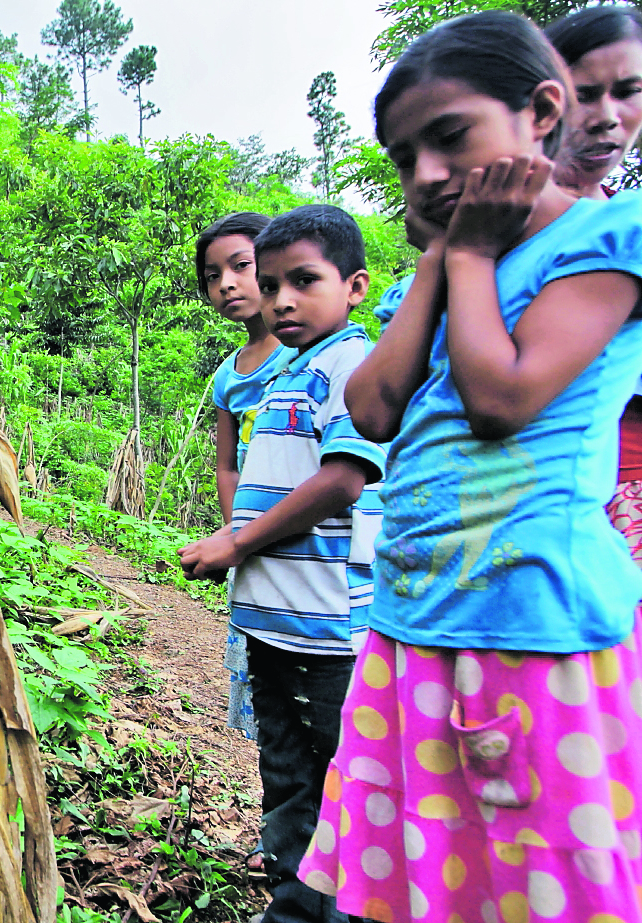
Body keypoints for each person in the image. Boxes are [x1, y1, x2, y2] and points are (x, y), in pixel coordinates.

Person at [299, 11, 642, 923]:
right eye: (404, 158)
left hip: (525, 623)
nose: (426, 174)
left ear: (541, 112)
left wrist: (476, 254)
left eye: (449, 137)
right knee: (431, 882)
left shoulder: (608, 237)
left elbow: (500, 398)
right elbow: (373, 407)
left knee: (540, 888)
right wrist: (444, 255)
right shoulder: (454, 264)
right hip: (413, 617)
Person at [180, 204, 385, 923]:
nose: (281, 300)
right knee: (289, 778)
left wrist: (236, 544)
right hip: (272, 625)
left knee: (341, 784)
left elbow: (342, 480)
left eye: (303, 281)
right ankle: (293, 910)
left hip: (327, 633)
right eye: (271, 286)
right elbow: (245, 474)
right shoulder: (283, 375)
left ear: (354, 286)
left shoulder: (353, 367)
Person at [547, 5, 642, 564]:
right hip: (555, 497)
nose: (608, 117)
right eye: (585, 95)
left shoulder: (628, 223)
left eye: (629, 91)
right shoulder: (497, 225)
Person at [195, 210, 288, 749]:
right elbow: (227, 466)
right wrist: (237, 533)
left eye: (241, 266)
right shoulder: (229, 374)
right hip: (252, 539)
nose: (227, 284)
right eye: (213, 276)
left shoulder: (307, 353)